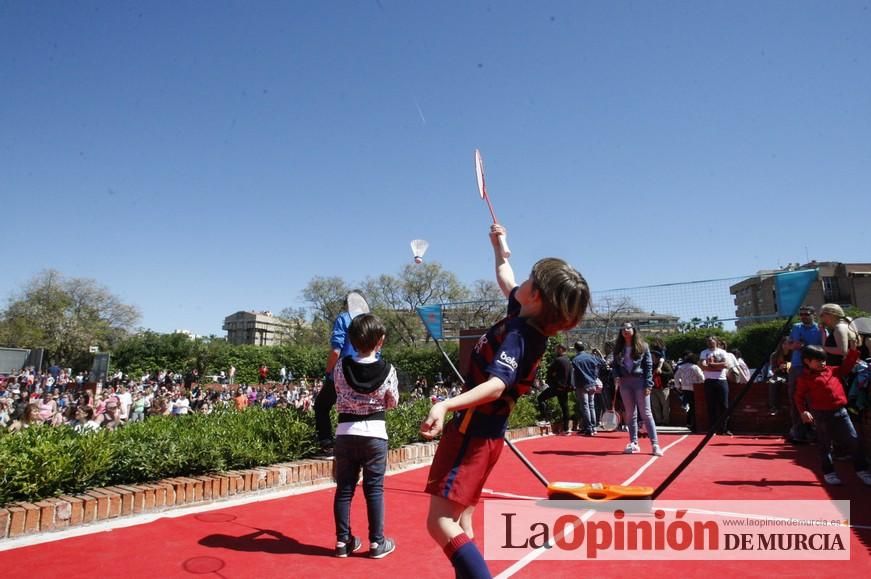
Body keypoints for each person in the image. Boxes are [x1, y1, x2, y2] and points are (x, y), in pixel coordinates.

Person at [420, 224, 590, 579]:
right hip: (488, 435)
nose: (521, 282)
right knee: (463, 518)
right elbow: (504, 275)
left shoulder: (520, 336)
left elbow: (497, 385)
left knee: (440, 523)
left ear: (537, 297)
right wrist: (500, 245)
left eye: (530, 280)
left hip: (473, 432)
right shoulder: (524, 314)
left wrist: (445, 405)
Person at [332, 313, 399, 559]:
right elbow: (392, 402)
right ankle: (376, 543)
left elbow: (338, 390)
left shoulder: (341, 366)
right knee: (374, 490)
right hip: (375, 434)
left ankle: (342, 542)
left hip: (345, 432)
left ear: (351, 339)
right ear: (380, 341)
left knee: (344, 489)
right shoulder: (388, 370)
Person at [794, 344, 871, 486]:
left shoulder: (833, 371)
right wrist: (803, 411)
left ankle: (862, 470)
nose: (822, 363)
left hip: (841, 412)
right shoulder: (804, 379)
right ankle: (829, 473)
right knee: (825, 445)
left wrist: (854, 351)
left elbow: (847, 366)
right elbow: (798, 397)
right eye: (818, 360)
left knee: (854, 440)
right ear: (807, 361)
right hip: (821, 414)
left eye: (823, 359)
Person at [315, 290, 370, 457]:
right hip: (367, 372)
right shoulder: (371, 321)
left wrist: (328, 371)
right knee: (359, 409)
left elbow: (336, 351)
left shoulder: (344, 318)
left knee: (321, 406)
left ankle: (328, 444)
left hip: (342, 374)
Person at [612, 323, 662, 455]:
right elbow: (615, 367)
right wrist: (616, 376)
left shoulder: (643, 346)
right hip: (624, 382)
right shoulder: (618, 348)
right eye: (623, 328)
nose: (625, 330)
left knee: (646, 413)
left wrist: (648, 384)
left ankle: (655, 444)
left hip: (640, 381)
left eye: (628, 328)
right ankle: (634, 442)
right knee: (630, 414)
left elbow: (648, 366)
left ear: (634, 330)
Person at [536, 344, 573, 434]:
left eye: (556, 349)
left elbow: (550, 372)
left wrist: (550, 380)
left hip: (556, 387)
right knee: (565, 407)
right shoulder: (568, 361)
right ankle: (566, 429)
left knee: (540, 398)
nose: (555, 350)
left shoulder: (558, 360)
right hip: (565, 388)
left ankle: (545, 419)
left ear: (561, 349)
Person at [570, 341, 605, 436]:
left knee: (585, 406)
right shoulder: (591, 357)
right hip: (592, 383)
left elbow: (573, 374)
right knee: (591, 405)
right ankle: (594, 427)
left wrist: (572, 385)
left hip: (582, 384)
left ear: (575, 349)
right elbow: (603, 363)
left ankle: (589, 428)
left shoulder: (575, 360)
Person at [699, 335, 731, 435]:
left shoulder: (722, 352)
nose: (710, 343)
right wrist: (717, 366)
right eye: (708, 341)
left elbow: (725, 365)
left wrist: (711, 365)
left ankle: (724, 428)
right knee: (711, 405)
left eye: (712, 341)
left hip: (721, 380)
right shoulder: (704, 352)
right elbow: (703, 366)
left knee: (724, 405)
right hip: (709, 381)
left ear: (716, 342)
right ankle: (712, 428)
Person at [818, 303, 858, 368]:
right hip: (839, 367)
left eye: (822, 315)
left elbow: (842, 351)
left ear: (831, 315)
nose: (820, 318)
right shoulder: (845, 324)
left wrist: (823, 348)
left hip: (840, 367)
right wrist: (823, 331)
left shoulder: (839, 328)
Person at [673, 352, 704, 431]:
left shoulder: (681, 367)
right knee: (694, 407)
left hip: (685, 388)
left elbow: (676, 377)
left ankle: (689, 422)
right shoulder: (695, 367)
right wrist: (701, 384)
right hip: (695, 388)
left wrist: (677, 386)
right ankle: (693, 423)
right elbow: (701, 377)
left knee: (689, 405)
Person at [650, 348, 674, 426]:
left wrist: (661, 372)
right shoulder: (650, 364)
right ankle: (658, 421)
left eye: (653, 356)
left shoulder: (664, 364)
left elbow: (671, 373)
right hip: (653, 388)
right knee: (655, 405)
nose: (651, 358)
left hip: (663, 388)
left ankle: (665, 421)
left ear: (657, 357)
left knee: (665, 405)